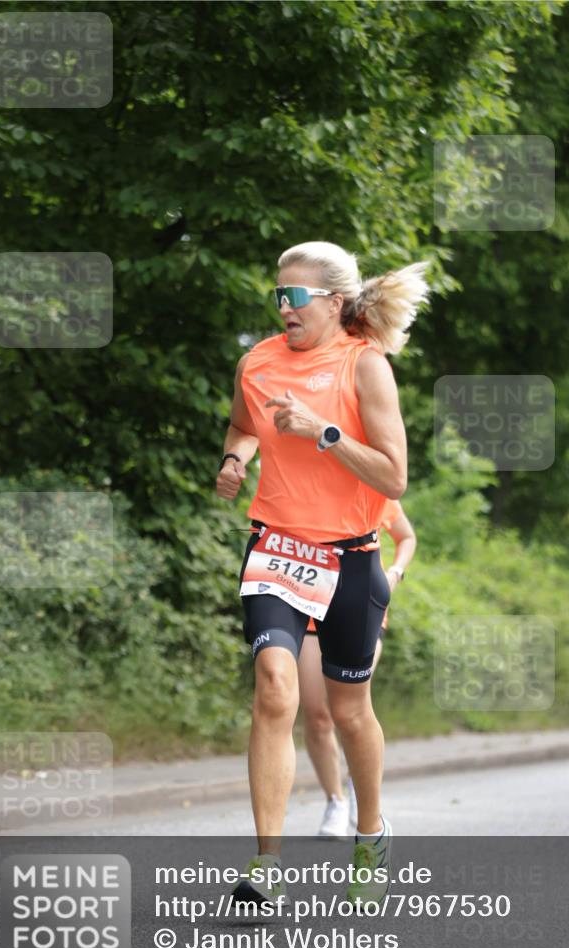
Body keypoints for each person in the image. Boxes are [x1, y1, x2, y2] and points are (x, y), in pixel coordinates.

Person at [216, 240, 428, 909]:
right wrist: (234, 459)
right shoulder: (256, 362)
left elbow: (393, 476)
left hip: (350, 557)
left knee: (348, 711)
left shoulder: (365, 368)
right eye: (277, 296)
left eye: (296, 296)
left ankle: (369, 833)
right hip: (276, 546)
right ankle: (266, 864)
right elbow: (241, 424)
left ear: (335, 302)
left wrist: (323, 433)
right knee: (275, 687)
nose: (284, 307)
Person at [303, 499, 417, 838]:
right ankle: (335, 801)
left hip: (361, 608)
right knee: (317, 713)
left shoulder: (372, 485)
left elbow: (406, 537)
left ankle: (359, 791)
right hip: (308, 603)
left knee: (349, 710)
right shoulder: (305, 485)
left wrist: (395, 572)